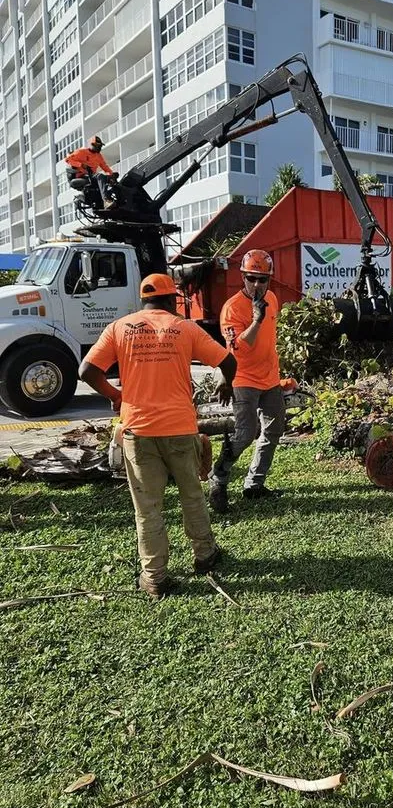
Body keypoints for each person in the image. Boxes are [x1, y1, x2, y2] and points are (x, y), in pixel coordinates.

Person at [79, 273, 237, 599]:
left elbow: (86, 371)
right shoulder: (185, 328)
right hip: (179, 429)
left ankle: (155, 578)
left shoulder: (120, 328)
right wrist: (226, 382)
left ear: (144, 300)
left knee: (147, 508)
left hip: (137, 431)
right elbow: (228, 361)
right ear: (171, 300)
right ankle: (205, 555)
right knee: (191, 495)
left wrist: (114, 394)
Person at [208, 249, 285, 512]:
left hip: (270, 378)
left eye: (262, 279)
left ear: (269, 280)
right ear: (243, 277)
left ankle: (254, 484)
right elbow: (240, 348)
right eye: (251, 278)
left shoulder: (272, 299)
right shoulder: (232, 308)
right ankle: (219, 478)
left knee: (274, 430)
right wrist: (256, 320)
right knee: (244, 434)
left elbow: (268, 340)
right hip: (243, 379)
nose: (257, 285)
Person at [65, 136, 117, 209]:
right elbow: (68, 160)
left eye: (100, 146)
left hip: (91, 176)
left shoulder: (99, 156)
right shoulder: (81, 152)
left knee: (107, 179)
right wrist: (81, 164)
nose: (100, 148)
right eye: (98, 146)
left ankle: (113, 201)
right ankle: (106, 200)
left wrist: (111, 175)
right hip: (81, 176)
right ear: (93, 145)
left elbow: (105, 166)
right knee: (100, 176)